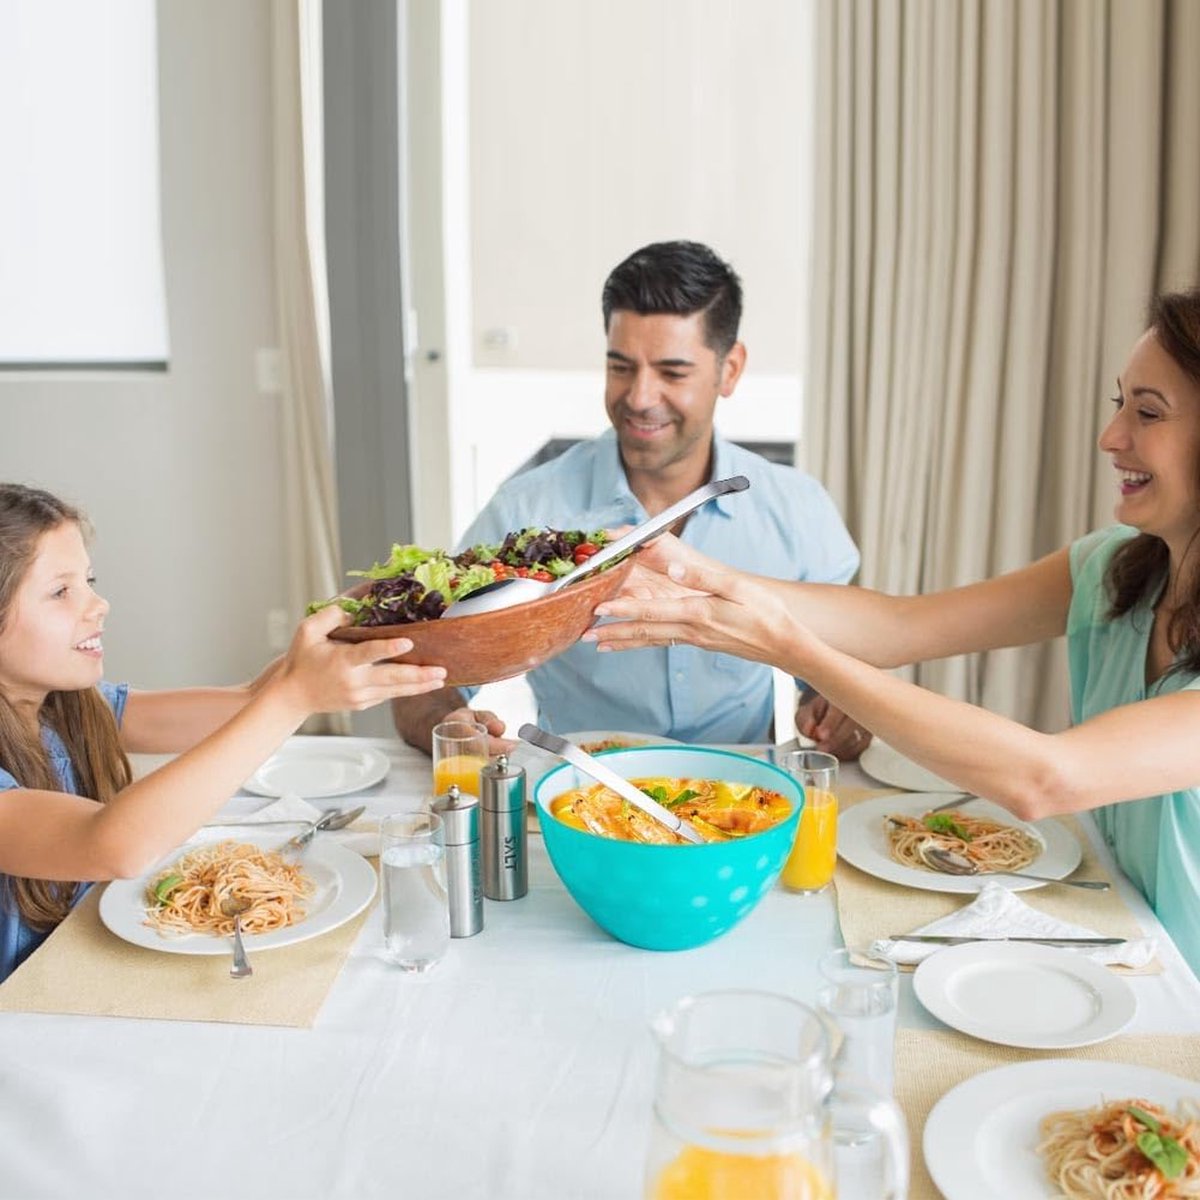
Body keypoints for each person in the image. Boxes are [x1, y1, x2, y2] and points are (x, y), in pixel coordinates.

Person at [585, 286, 1200, 977]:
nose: (1111, 438)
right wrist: (702, 577)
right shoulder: (1113, 568)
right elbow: (900, 625)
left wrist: (783, 645)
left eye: (1148, 413)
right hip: (1119, 934)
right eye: (1120, 405)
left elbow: (1044, 780)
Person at [392, 240, 871, 758]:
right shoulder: (526, 510)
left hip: (746, 801)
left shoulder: (797, 509)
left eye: (672, 372)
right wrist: (448, 724)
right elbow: (427, 674)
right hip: (578, 795)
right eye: (621, 367)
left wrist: (841, 708)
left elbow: (850, 660)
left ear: (729, 370)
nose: (640, 398)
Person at [0, 483, 448, 982]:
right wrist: (297, 696)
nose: (98, 604)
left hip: (80, 969)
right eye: (61, 591)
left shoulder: (68, 705)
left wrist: (346, 633)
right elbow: (113, 845)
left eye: (89, 580)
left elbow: (247, 702)